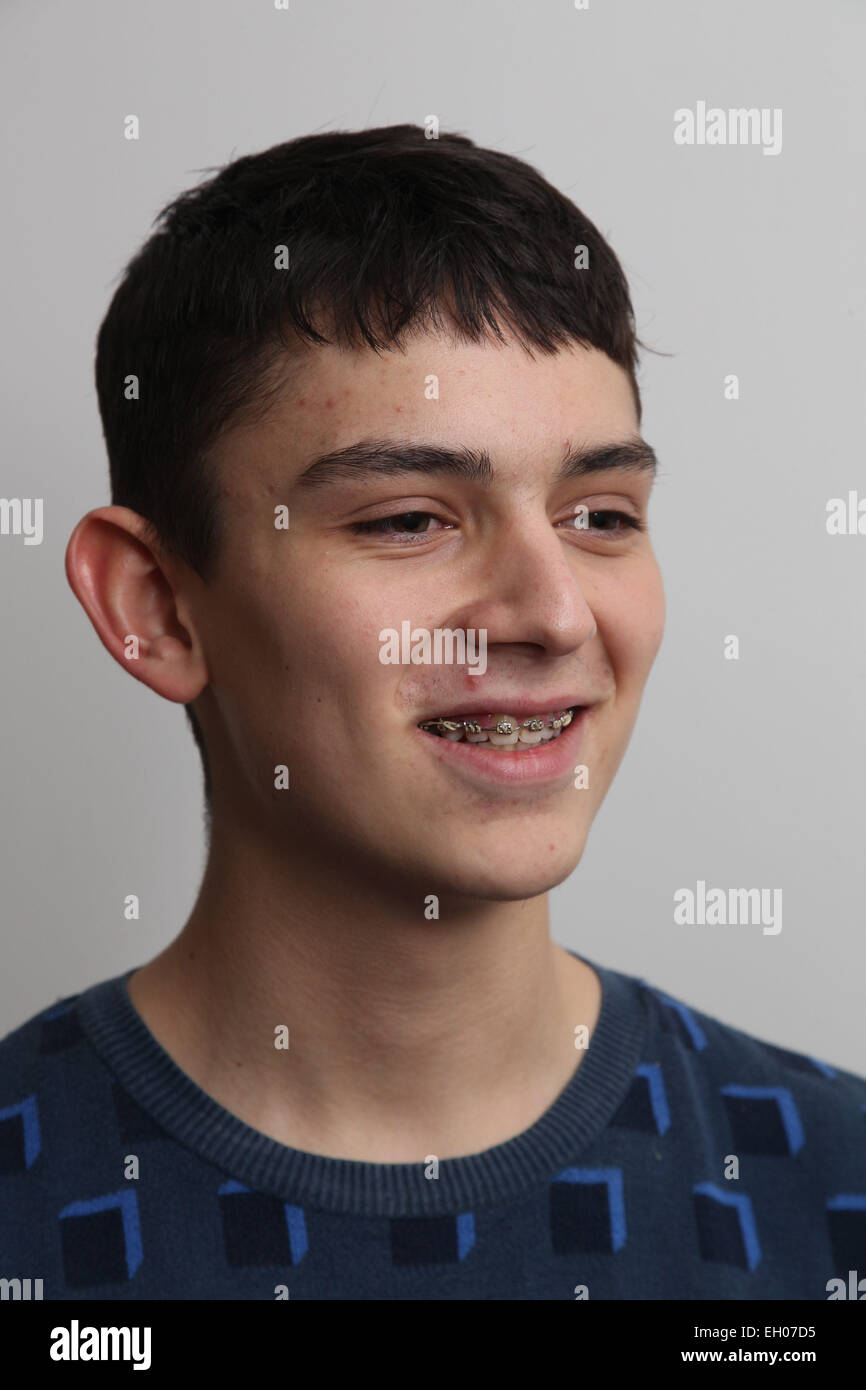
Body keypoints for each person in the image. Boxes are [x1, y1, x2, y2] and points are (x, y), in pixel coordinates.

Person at [1, 125, 863, 1301]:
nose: (552, 613)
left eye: (600, 514)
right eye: (407, 518)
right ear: (156, 605)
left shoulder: (831, 1188)